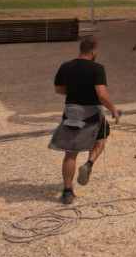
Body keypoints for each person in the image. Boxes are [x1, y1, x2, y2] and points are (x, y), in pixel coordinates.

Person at [49, 36, 120, 204]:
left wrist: (75, 90)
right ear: (93, 52)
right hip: (92, 114)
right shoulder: (97, 68)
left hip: (71, 112)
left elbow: (59, 89)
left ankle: (67, 191)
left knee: (70, 154)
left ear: (80, 49)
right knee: (100, 141)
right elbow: (101, 94)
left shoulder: (65, 67)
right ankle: (88, 164)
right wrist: (113, 110)